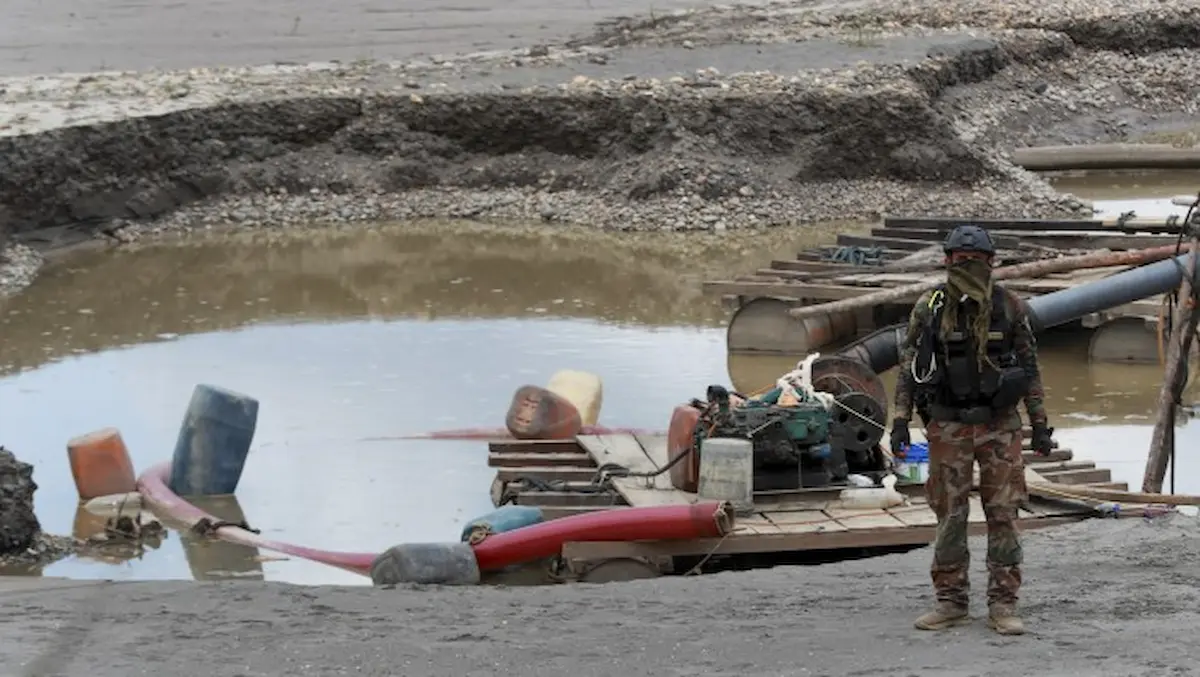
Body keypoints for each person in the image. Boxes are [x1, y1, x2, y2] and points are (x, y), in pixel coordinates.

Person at [889, 224, 1055, 636]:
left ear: (990, 263)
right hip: (949, 426)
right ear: (947, 262)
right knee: (949, 514)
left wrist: (1040, 424)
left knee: (1003, 513)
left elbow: (1030, 368)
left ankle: (1003, 603)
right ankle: (951, 601)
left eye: (975, 262)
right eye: (960, 261)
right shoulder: (930, 308)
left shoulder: (1010, 307)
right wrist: (899, 421)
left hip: (1000, 427)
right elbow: (910, 368)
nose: (967, 267)